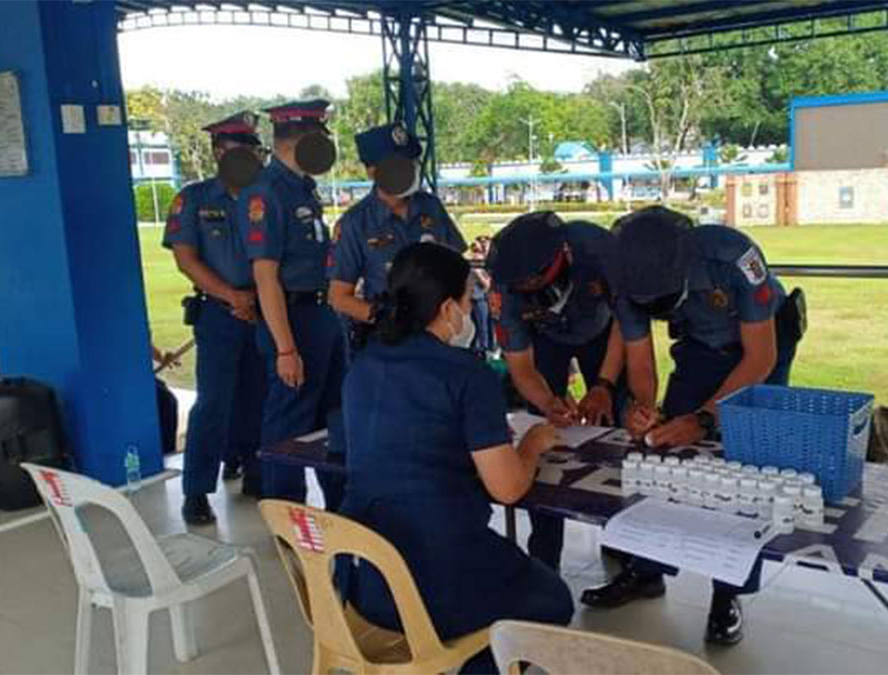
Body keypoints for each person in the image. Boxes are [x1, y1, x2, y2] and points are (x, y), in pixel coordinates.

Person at [339, 242, 573, 673]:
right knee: (553, 599)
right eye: (468, 299)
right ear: (448, 308)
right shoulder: (467, 374)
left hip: (366, 580)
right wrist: (533, 444)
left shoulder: (364, 365)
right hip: (434, 580)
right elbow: (508, 489)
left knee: (499, 579)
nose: (470, 310)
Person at [580, 205, 803, 645]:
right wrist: (644, 412)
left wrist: (703, 419)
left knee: (744, 467)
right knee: (662, 449)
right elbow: (640, 360)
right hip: (700, 345)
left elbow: (760, 358)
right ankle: (645, 571)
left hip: (762, 344)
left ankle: (728, 594)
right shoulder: (625, 274)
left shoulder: (733, 256)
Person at [485, 211, 628, 571]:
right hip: (547, 341)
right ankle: (544, 556)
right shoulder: (504, 288)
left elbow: (629, 326)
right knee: (545, 438)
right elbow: (521, 366)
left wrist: (604, 385)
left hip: (604, 336)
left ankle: (626, 552)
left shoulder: (601, 251)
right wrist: (547, 401)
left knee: (617, 432)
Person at [238, 99, 347, 506]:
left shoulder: (302, 188)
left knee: (333, 417)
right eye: (320, 137)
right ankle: (287, 514)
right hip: (292, 318)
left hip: (322, 315)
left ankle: (341, 505)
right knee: (289, 421)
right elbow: (266, 277)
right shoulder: (266, 193)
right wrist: (286, 347)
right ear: (298, 139)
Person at [163, 111, 268, 522]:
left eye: (253, 151)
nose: (251, 159)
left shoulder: (265, 198)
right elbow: (186, 259)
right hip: (219, 314)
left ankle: (256, 470)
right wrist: (232, 296)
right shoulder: (194, 199)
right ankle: (196, 491)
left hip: (265, 312)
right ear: (219, 152)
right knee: (212, 404)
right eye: (241, 150)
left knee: (260, 398)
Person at [326, 122, 465, 353]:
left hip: (441, 335)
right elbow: (338, 297)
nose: (409, 170)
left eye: (411, 162)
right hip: (389, 343)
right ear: (372, 171)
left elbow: (458, 266)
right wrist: (385, 318)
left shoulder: (431, 207)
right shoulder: (355, 223)